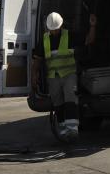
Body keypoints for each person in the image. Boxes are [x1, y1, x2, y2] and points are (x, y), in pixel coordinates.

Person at [33, 12, 79, 141]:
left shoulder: (69, 36)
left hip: (69, 73)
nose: (54, 32)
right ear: (48, 28)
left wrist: (93, 26)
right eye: (52, 30)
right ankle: (63, 129)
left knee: (70, 98)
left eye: (56, 29)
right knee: (57, 102)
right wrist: (34, 76)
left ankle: (73, 129)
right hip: (53, 76)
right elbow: (37, 60)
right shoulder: (44, 39)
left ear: (61, 26)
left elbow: (88, 41)